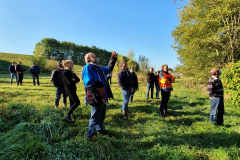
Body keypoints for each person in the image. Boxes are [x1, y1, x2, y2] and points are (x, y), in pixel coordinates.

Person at [82, 52, 117, 141]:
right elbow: (89, 83)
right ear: (89, 59)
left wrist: (113, 58)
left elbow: (109, 68)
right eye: (93, 54)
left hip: (103, 95)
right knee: (94, 117)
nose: (95, 55)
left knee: (101, 116)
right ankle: (90, 136)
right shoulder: (88, 68)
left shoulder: (99, 67)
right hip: (96, 96)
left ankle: (100, 131)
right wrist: (96, 96)